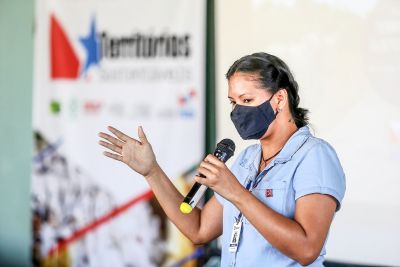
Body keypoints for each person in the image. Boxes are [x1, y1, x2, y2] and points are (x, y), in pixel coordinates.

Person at [98, 52, 346, 266]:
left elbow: (306, 249)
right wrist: (152, 172)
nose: (238, 111)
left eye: (247, 100)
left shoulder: (314, 155)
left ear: (279, 99)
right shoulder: (247, 159)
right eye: (233, 102)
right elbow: (199, 229)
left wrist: (236, 192)